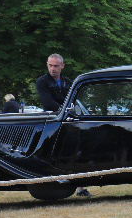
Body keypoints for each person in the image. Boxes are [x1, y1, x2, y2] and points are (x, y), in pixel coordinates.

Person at [34, 53, 91, 196]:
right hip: (53, 124)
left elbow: (75, 101)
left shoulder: (68, 82)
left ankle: (81, 187)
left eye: (56, 66)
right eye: (50, 65)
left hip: (69, 123)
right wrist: (66, 110)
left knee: (77, 153)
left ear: (62, 66)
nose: (52, 68)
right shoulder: (42, 81)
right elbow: (47, 103)